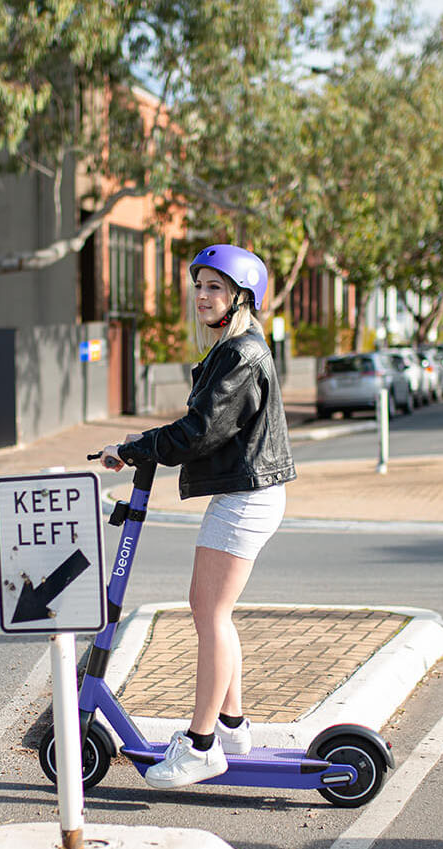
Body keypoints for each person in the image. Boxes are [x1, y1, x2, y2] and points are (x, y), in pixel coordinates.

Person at [100, 243, 295, 789]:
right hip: (246, 492)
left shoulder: (240, 356)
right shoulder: (232, 351)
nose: (203, 296)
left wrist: (137, 447)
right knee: (213, 612)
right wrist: (140, 444)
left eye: (215, 287)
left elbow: (198, 432)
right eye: (200, 286)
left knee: (209, 614)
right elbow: (200, 425)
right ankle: (231, 728)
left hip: (246, 497)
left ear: (240, 297)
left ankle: (203, 745)